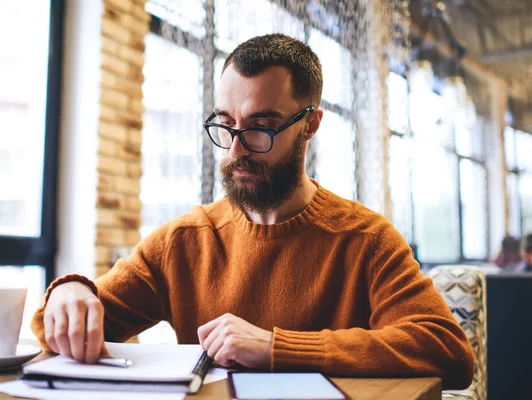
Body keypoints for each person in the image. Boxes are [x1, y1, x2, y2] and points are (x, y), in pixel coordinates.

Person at [31, 34, 474, 389]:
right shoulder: (185, 241)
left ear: (310, 125)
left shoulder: (365, 239)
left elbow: (446, 350)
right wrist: (69, 293)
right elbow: (69, 326)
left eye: (261, 127)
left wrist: (277, 348)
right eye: (226, 124)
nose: (236, 150)